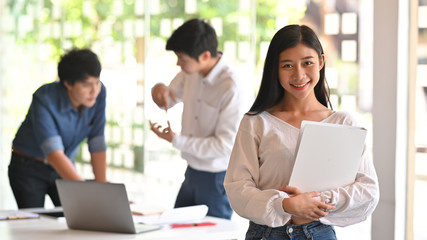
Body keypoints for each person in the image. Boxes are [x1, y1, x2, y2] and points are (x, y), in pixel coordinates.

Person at [224, 25, 380, 240]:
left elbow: (368, 190)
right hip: (266, 234)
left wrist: (314, 202)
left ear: (321, 62)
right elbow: (237, 188)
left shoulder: (343, 122)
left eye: (307, 63)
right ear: (275, 69)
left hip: (319, 233)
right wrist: (285, 205)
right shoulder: (256, 122)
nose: (299, 75)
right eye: (287, 65)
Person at [149, 18, 247, 219]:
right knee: (176, 231)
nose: (178, 63)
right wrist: (158, 89)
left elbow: (225, 146)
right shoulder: (190, 71)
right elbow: (169, 96)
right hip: (191, 172)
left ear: (204, 55)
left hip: (217, 178)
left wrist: (176, 140)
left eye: (182, 58)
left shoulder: (231, 86)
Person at [8, 49, 108, 209]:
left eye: (97, 82)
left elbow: (97, 141)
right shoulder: (44, 98)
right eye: (87, 84)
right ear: (68, 83)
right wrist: (89, 194)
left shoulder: (98, 94)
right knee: (35, 224)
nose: (94, 90)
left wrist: (103, 191)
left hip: (65, 163)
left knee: (82, 215)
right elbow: (53, 153)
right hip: (29, 167)